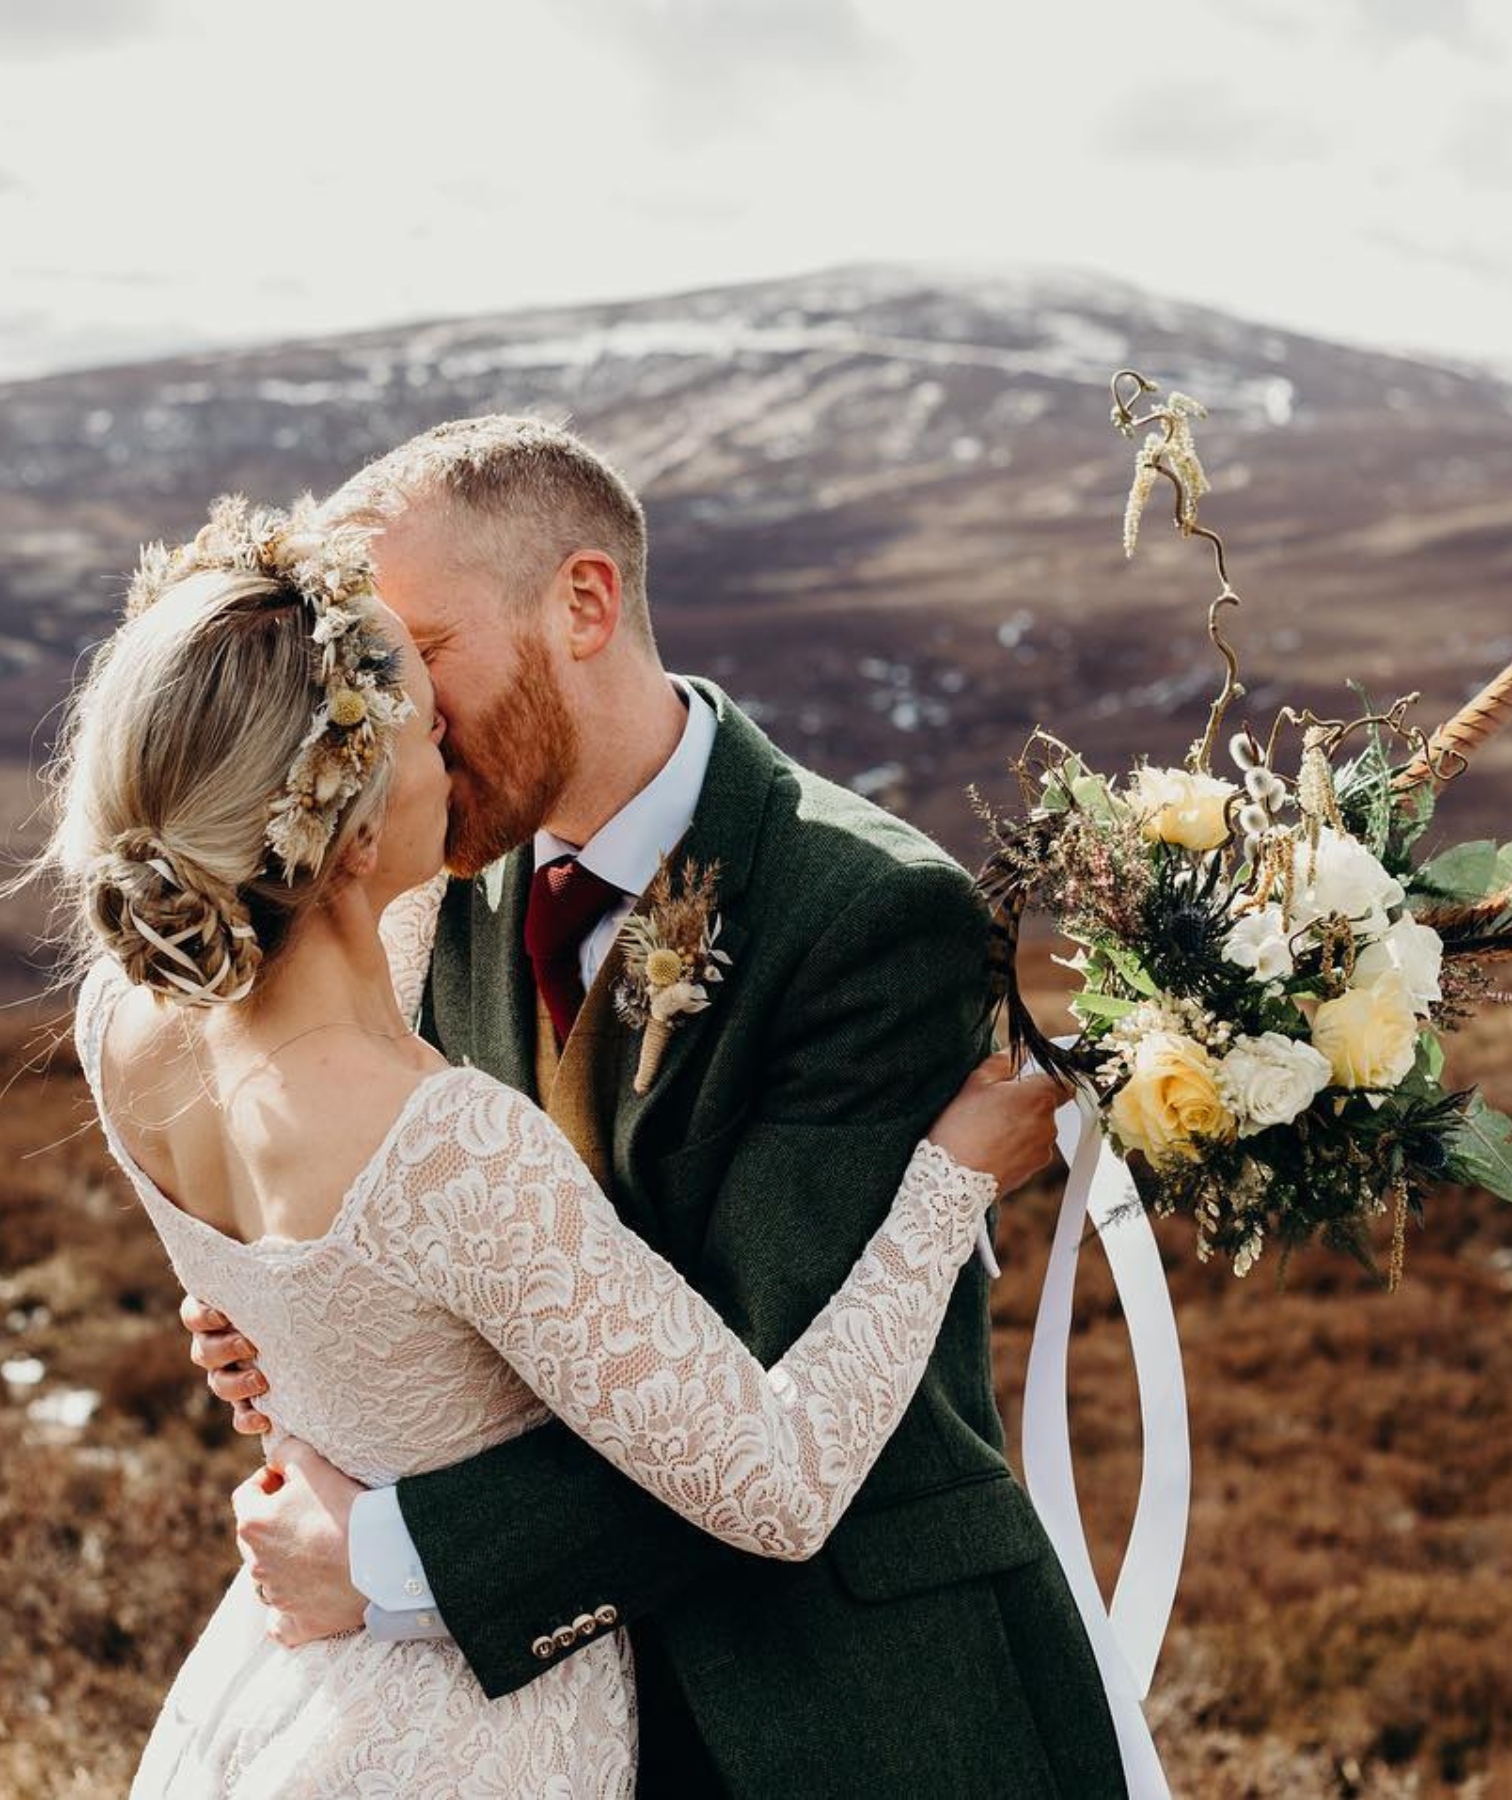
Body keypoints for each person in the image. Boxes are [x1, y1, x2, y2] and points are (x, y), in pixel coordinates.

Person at [59, 428, 1125, 1795]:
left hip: (836, 1714)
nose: (399, 719)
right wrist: (295, 1326)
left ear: (583, 604)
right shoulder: (410, 890)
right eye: (362, 683)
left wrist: (397, 1555)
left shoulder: (869, 914)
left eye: (415, 653)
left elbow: (765, 1400)